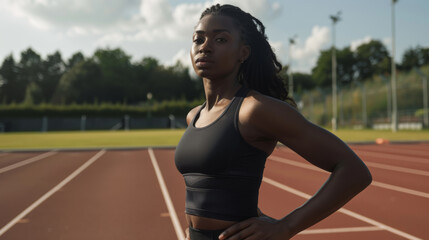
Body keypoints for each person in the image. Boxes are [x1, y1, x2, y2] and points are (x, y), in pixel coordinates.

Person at [174, 4, 372, 240]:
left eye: (220, 40)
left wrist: (285, 227)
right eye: (198, 39)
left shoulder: (254, 109)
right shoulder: (194, 115)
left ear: (243, 53)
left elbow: (354, 171)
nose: (205, 47)